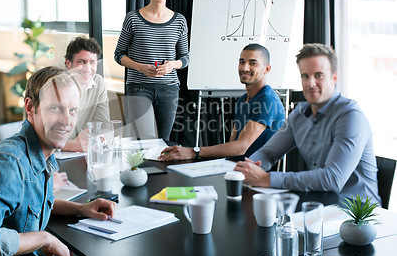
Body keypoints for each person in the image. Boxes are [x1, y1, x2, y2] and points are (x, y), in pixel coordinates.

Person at [0, 66, 116, 256]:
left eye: (72, 111)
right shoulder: (7, 164)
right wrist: (44, 239)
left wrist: (80, 209)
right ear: (30, 107)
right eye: (55, 108)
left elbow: (31, 204)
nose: (66, 121)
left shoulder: (40, 154)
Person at [235, 43, 380, 203]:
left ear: (334, 77)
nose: (310, 83)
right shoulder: (299, 113)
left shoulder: (351, 115)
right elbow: (268, 153)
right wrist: (252, 167)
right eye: (305, 76)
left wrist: (266, 178)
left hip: (357, 214)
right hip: (320, 204)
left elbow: (333, 179)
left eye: (318, 75)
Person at [160, 44, 285, 161]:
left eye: (253, 63)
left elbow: (241, 147)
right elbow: (233, 145)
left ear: (266, 69)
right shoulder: (243, 99)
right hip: (232, 166)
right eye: (241, 62)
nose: (244, 67)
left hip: (254, 173)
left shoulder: (267, 100)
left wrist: (193, 152)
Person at [114, 0, 189, 140]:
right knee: (147, 139)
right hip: (139, 87)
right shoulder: (132, 18)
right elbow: (119, 54)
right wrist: (140, 67)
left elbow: (185, 57)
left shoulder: (179, 20)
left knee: (163, 141)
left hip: (169, 89)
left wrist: (172, 65)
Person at [62, 36, 111, 152]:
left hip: (82, 154)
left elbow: (105, 126)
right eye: (81, 62)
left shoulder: (98, 82)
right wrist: (73, 145)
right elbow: (39, 137)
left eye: (92, 62)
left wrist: (97, 139)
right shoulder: (56, 87)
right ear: (68, 63)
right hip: (52, 158)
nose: (88, 69)